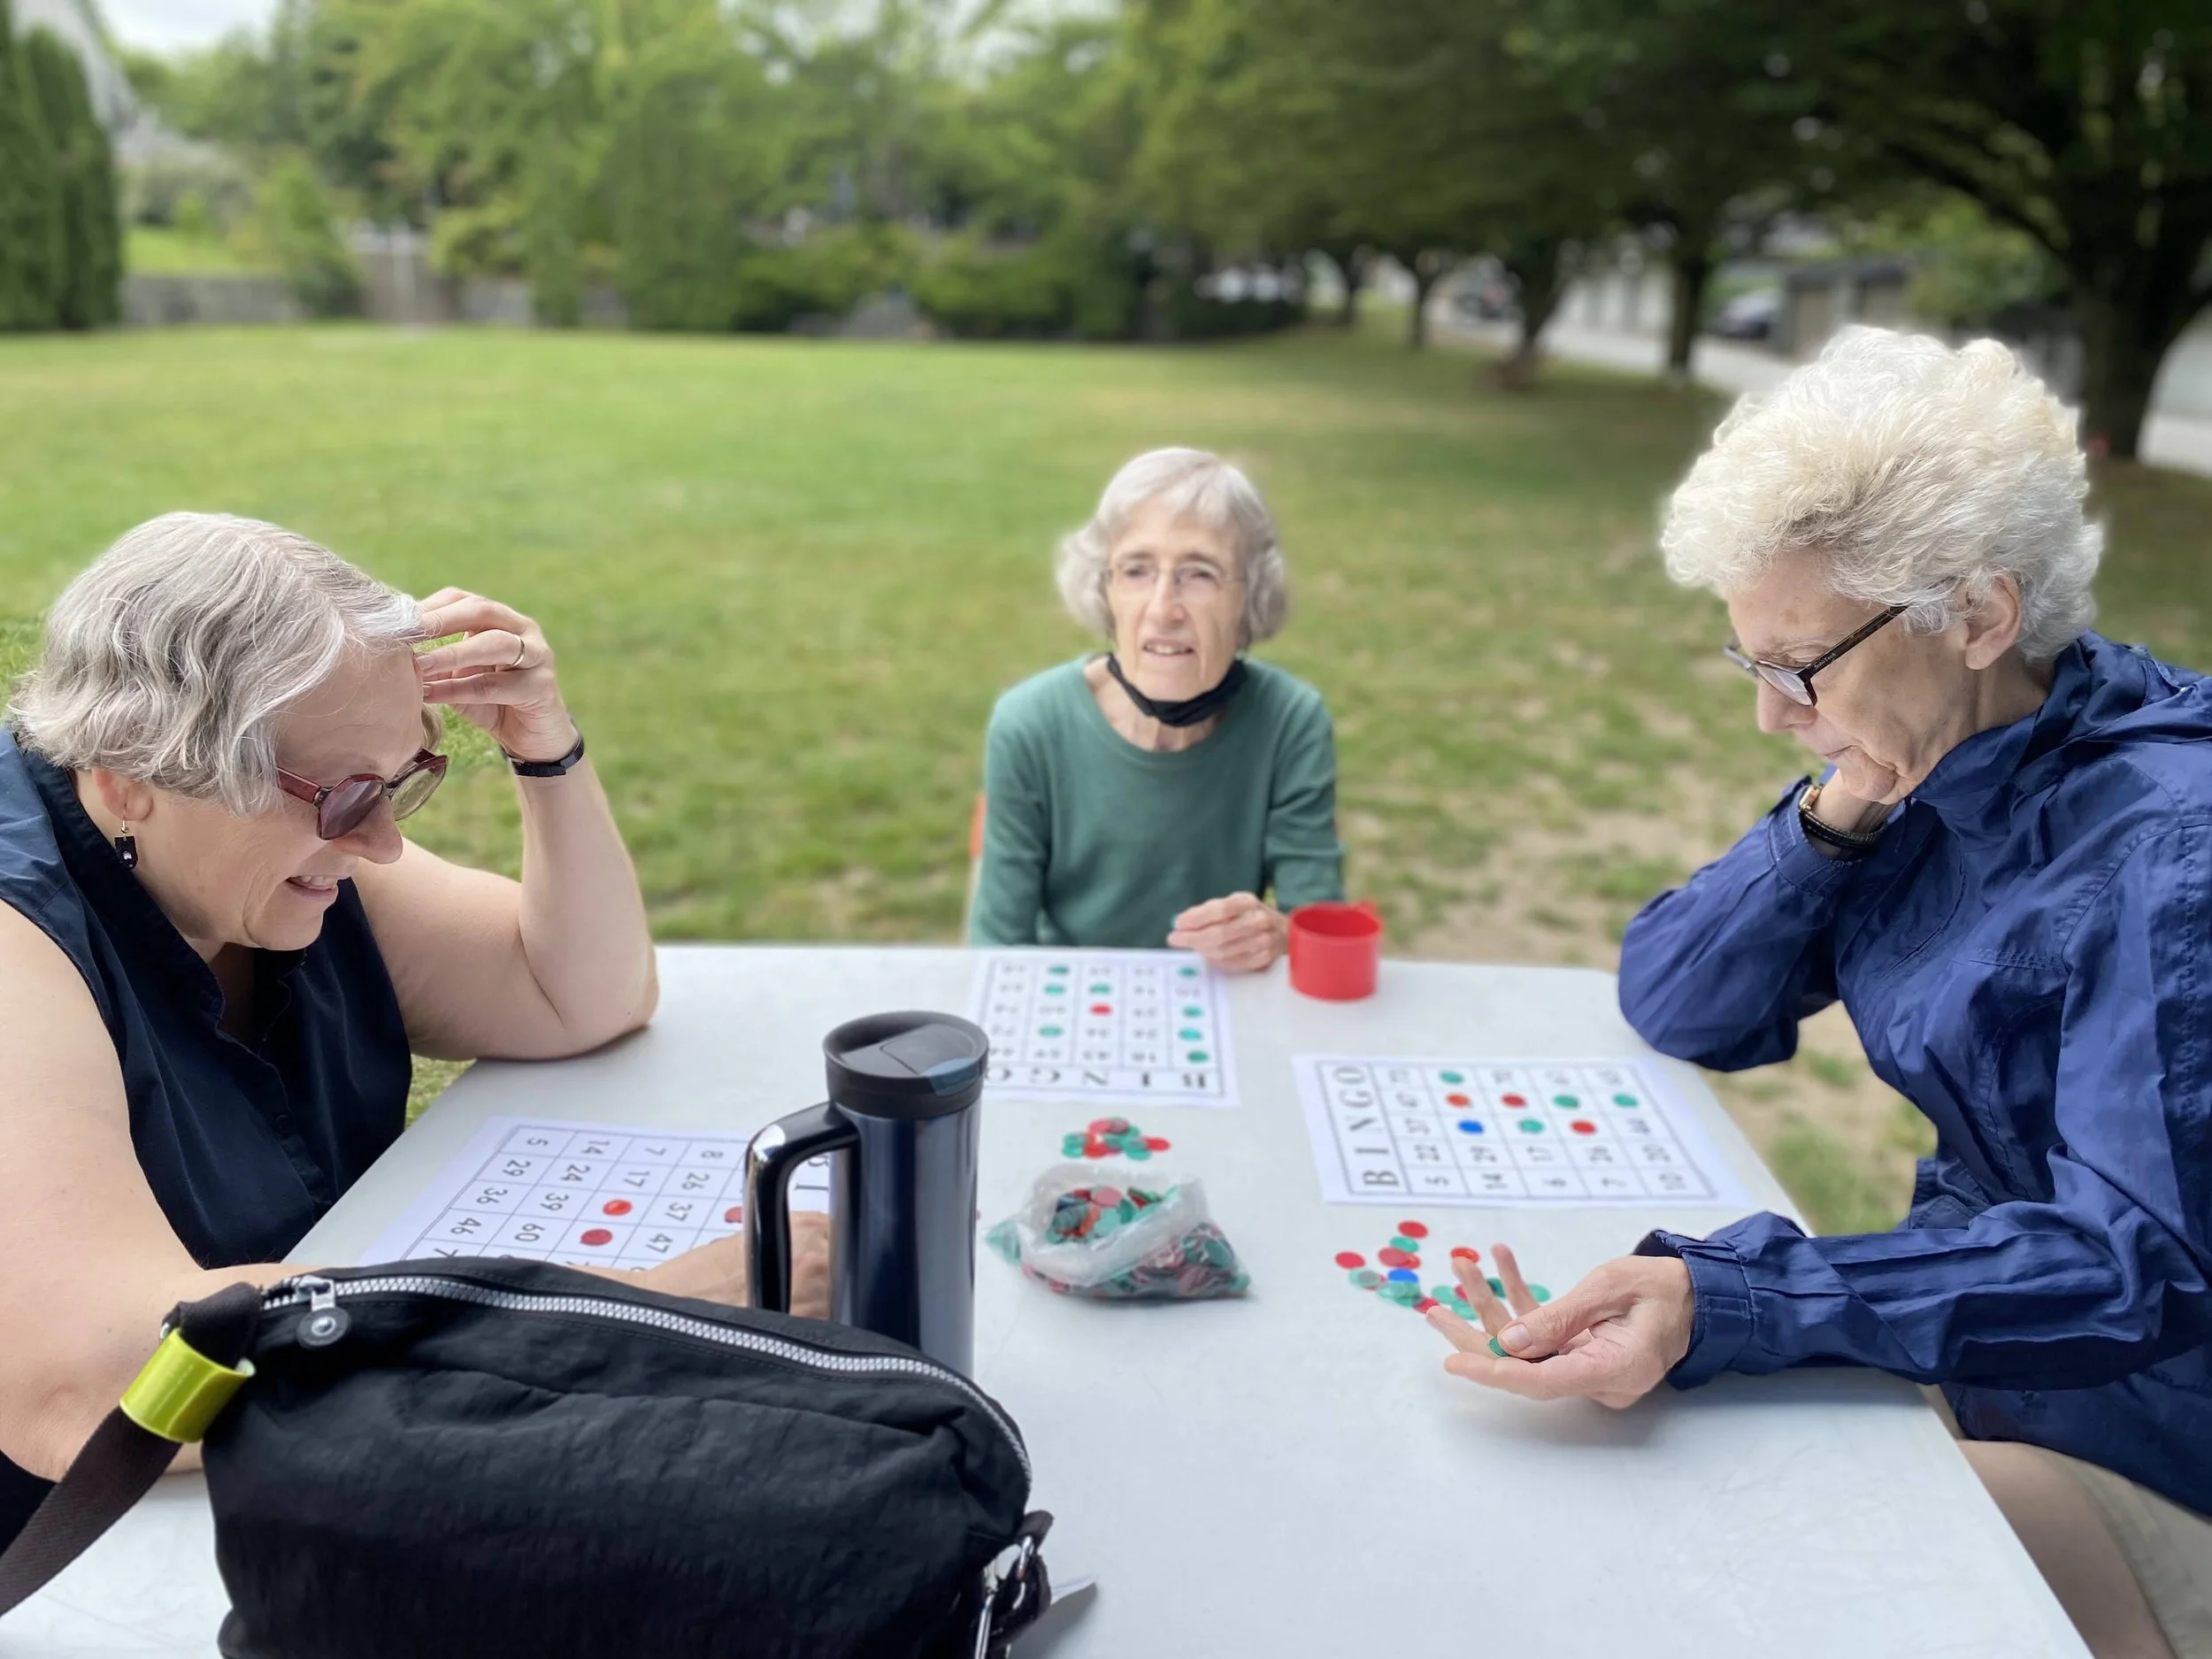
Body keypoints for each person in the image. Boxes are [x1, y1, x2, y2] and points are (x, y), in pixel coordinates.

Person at [1424, 330, 2212, 1659]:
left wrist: (1735, 1300)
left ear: (1979, 616)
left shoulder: (2174, 844)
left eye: (1800, 667)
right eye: (1753, 666)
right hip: (1992, 1359)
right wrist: (1831, 815)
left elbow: (2135, 1263)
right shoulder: (1933, 753)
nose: (1771, 716)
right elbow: (1679, 1000)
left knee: (1751, 1568)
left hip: (2148, 1435)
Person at [0, 513, 824, 1550]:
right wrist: (621, 1308)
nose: (383, 844)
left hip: (286, 1482)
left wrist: (546, 747)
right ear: (132, 776)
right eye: (348, 794)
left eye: (406, 781)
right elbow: (93, 1380)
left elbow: (577, 995)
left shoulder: (267, 856)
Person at [967, 448, 1344, 970]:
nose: (1163, 610)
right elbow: (995, 951)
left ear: (1251, 598)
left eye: (1200, 574)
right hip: (1068, 990)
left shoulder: (1290, 722)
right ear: (1105, 590)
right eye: (1137, 571)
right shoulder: (1030, 723)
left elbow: (1321, 933)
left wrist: (1281, 936)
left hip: (1224, 992)